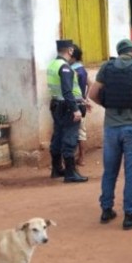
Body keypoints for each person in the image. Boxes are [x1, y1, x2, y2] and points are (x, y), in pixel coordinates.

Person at [88, 39, 132, 230]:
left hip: (111, 128)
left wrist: (109, 106)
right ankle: (129, 215)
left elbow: (93, 94)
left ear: (118, 52)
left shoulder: (106, 67)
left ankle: (106, 210)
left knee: (109, 171)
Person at [47, 39, 88, 183]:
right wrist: (76, 109)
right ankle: (70, 173)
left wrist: (81, 100)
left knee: (57, 137)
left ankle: (56, 168)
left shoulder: (52, 64)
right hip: (67, 107)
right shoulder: (65, 67)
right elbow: (67, 90)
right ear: (70, 50)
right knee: (70, 138)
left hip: (57, 105)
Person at [71, 45, 92, 167]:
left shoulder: (71, 70)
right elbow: (90, 83)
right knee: (81, 132)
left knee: (71, 131)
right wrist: (86, 98)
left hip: (73, 104)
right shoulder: (82, 69)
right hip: (82, 103)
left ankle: (71, 158)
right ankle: (82, 158)